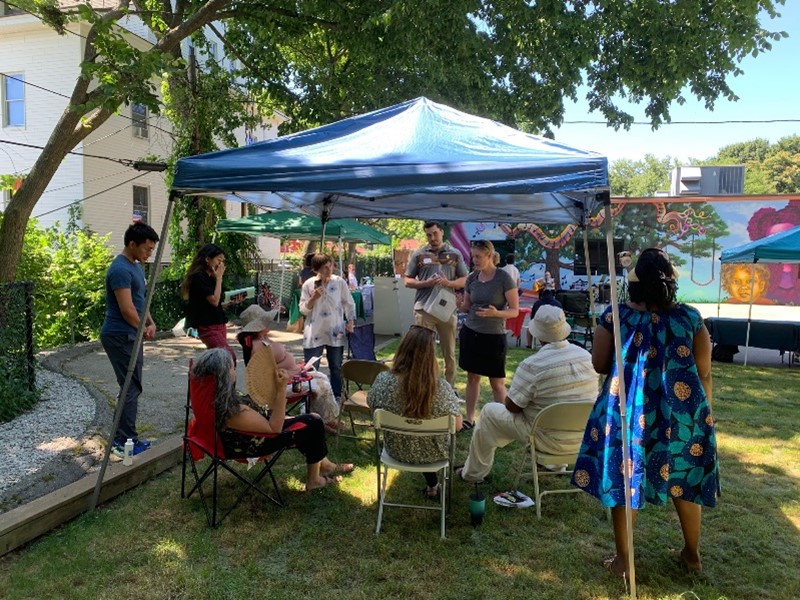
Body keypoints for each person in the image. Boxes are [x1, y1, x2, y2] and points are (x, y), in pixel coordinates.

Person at [571, 248, 719, 578]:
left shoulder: (615, 316)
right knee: (686, 479)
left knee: (624, 481)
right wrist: (705, 413)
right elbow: (704, 371)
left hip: (627, 412)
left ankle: (624, 561)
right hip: (683, 415)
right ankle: (692, 554)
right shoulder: (691, 318)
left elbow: (598, 363)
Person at [458, 305, 597, 483]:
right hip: (581, 439)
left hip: (543, 438)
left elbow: (512, 407)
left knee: (489, 412)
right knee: (550, 413)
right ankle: (555, 465)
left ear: (538, 333)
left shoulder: (533, 364)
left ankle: (473, 474)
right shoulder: (587, 357)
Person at [191, 348, 352, 491]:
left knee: (299, 421)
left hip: (229, 439)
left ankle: (325, 465)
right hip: (250, 446)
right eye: (232, 368)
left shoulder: (211, 397)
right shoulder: (232, 411)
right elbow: (274, 428)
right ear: (224, 376)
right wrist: (281, 389)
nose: (234, 371)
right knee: (314, 422)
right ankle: (314, 480)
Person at [367, 325, 463, 499]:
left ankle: (432, 485)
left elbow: (372, 408)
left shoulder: (382, 381)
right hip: (434, 455)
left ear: (402, 349)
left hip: (395, 450)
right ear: (431, 357)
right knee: (427, 436)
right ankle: (434, 487)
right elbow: (457, 425)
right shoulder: (441, 388)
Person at [100, 222, 159, 458]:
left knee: (130, 387)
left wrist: (150, 322)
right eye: (146, 249)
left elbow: (139, 301)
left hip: (131, 334)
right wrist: (142, 328)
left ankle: (122, 437)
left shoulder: (135, 266)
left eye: (152, 250)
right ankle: (124, 440)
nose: (149, 254)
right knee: (130, 387)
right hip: (119, 335)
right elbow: (126, 309)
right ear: (132, 244)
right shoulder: (120, 269)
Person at [236, 304, 340, 432]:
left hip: (290, 377)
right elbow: (266, 376)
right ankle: (328, 420)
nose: (268, 323)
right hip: (280, 386)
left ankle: (323, 419)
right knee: (322, 383)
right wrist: (292, 373)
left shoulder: (260, 339)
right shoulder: (257, 346)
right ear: (257, 327)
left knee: (320, 376)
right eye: (264, 321)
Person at [457, 240, 518, 428]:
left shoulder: (503, 278)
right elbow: (467, 307)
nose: (474, 260)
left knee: (497, 383)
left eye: (478, 257)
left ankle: (507, 423)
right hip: (471, 332)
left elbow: (515, 310)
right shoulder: (472, 278)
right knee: (472, 378)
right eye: (472, 256)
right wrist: (459, 304)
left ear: (490, 255)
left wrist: (496, 313)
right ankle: (469, 419)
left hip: (493, 337)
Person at [404, 221, 468, 387]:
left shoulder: (455, 254)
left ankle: (450, 389)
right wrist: (425, 283)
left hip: (446, 309)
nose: (432, 238)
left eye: (435, 233)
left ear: (442, 232)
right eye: (428, 235)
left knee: (450, 352)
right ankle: (425, 386)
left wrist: (448, 283)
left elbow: (464, 280)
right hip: (423, 309)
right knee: (423, 351)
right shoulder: (419, 254)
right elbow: (407, 280)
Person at [299, 253, 356, 401]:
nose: (329, 269)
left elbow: (348, 303)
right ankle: (310, 397)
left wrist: (350, 321)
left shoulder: (339, 282)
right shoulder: (309, 284)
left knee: (336, 367)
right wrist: (313, 298)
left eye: (330, 265)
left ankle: (336, 396)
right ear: (316, 269)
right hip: (314, 331)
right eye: (324, 267)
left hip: (335, 330)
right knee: (311, 368)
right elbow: (303, 310)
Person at [181, 243, 239, 365]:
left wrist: (229, 303)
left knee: (219, 361)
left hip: (219, 323)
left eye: (222, 261)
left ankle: (219, 383)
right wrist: (219, 279)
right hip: (208, 327)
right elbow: (214, 301)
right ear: (207, 259)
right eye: (218, 260)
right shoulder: (198, 277)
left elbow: (212, 304)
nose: (221, 264)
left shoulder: (210, 277)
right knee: (228, 357)